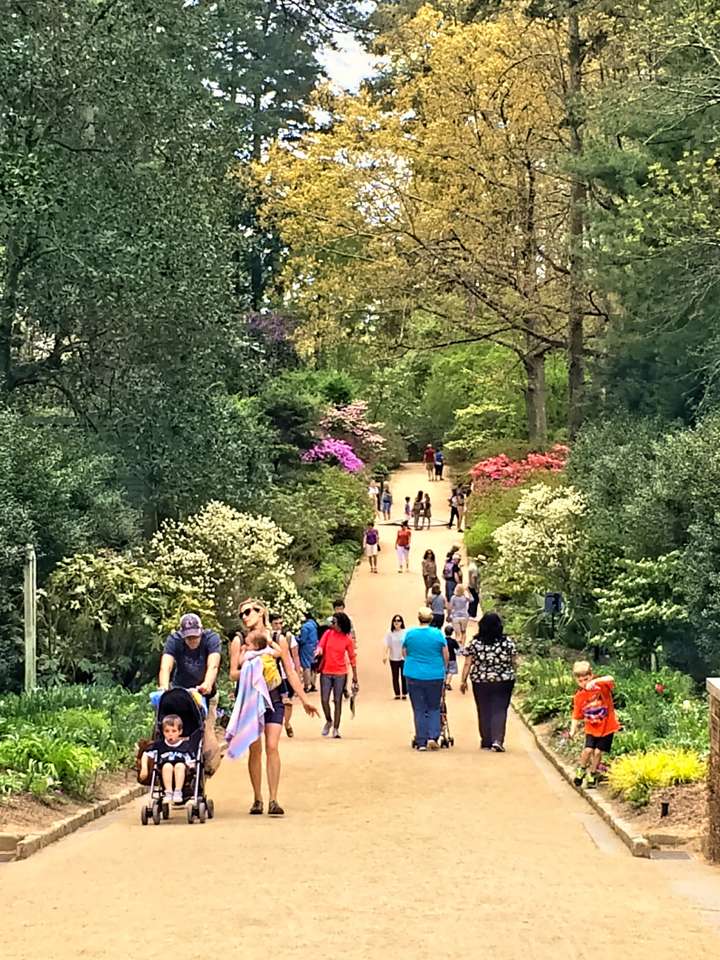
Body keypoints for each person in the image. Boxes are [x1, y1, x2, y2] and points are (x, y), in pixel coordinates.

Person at [229, 600, 318, 816]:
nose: (245, 616)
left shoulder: (277, 639)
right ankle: (257, 798)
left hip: (274, 697)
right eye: (242, 613)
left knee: (272, 746)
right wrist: (253, 671)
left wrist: (304, 699)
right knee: (255, 748)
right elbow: (233, 673)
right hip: (251, 699)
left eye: (250, 611)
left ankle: (274, 799)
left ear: (262, 613)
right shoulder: (239, 641)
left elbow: (290, 670)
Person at [159, 613, 222, 774]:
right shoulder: (174, 640)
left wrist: (206, 684)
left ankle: (206, 769)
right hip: (180, 694)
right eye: (188, 638)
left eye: (195, 637)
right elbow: (166, 666)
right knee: (168, 725)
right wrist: (164, 686)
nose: (192, 640)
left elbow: (213, 665)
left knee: (205, 731)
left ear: (201, 632)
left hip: (205, 694)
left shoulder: (211, 639)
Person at [460, 612, 517, 752]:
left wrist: (463, 680)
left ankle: (486, 740)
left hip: (481, 680)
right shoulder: (507, 642)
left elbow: (468, 663)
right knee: (500, 709)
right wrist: (513, 672)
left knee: (484, 709)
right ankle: (497, 739)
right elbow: (514, 661)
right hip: (503, 680)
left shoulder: (475, 643)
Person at [402, 607, 448, 751]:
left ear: (419, 618)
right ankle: (433, 737)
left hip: (414, 674)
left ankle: (421, 740)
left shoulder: (410, 634)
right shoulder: (438, 634)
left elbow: (405, 653)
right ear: (431, 618)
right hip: (434, 674)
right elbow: (445, 655)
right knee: (434, 707)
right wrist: (443, 669)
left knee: (419, 708)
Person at [569, 661, 620, 789]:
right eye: (580, 680)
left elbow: (611, 678)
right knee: (588, 750)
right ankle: (581, 770)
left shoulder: (601, 686)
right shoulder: (579, 696)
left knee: (597, 752)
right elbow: (576, 715)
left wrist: (596, 682)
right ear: (576, 680)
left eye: (586, 679)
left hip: (607, 726)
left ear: (591, 675)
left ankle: (592, 773)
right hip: (591, 728)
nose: (584, 683)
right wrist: (572, 731)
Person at [315, 612, 358, 738]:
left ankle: (336, 728)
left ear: (341, 624)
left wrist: (355, 676)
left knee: (337, 700)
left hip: (340, 672)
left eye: (334, 623)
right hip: (326, 671)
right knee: (324, 699)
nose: (332, 624)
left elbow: (352, 658)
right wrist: (318, 650)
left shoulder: (347, 639)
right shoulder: (328, 634)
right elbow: (320, 645)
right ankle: (329, 720)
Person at [140, 714, 195, 804]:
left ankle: (178, 792)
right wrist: (144, 768)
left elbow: (192, 761)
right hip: (164, 770)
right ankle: (168, 793)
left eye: (174, 731)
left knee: (179, 765)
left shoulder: (186, 746)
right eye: (167, 731)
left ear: (180, 732)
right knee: (167, 766)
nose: (170, 734)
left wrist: (192, 767)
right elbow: (146, 754)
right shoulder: (159, 745)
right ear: (163, 732)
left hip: (182, 772)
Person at [270, 613, 301, 739]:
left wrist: (297, 673)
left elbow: (295, 656)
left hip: (287, 674)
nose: (279, 626)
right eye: (276, 623)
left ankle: (286, 723)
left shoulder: (288, 638)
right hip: (274, 675)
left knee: (288, 702)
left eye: (280, 623)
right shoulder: (267, 638)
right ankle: (275, 724)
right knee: (277, 702)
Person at [383, 614, 407, 700]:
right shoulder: (389, 633)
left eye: (398, 621)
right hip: (393, 658)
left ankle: (404, 692)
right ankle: (397, 693)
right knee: (395, 676)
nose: (397, 622)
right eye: (395, 621)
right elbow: (386, 644)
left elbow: (408, 644)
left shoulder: (405, 632)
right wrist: (385, 655)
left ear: (401, 622)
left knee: (404, 676)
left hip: (403, 658)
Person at [298, 611, 319, 692]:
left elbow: (302, 640)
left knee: (306, 666)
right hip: (314, 646)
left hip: (306, 648)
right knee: (313, 666)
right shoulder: (314, 624)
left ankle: (306, 686)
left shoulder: (305, 627)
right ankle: (313, 684)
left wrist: (296, 638)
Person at [444, 624, 460, 691]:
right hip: (452, 658)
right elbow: (458, 649)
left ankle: (444, 682)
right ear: (452, 632)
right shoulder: (453, 641)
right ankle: (447, 683)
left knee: (445, 671)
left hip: (444, 658)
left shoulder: (443, 641)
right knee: (451, 671)